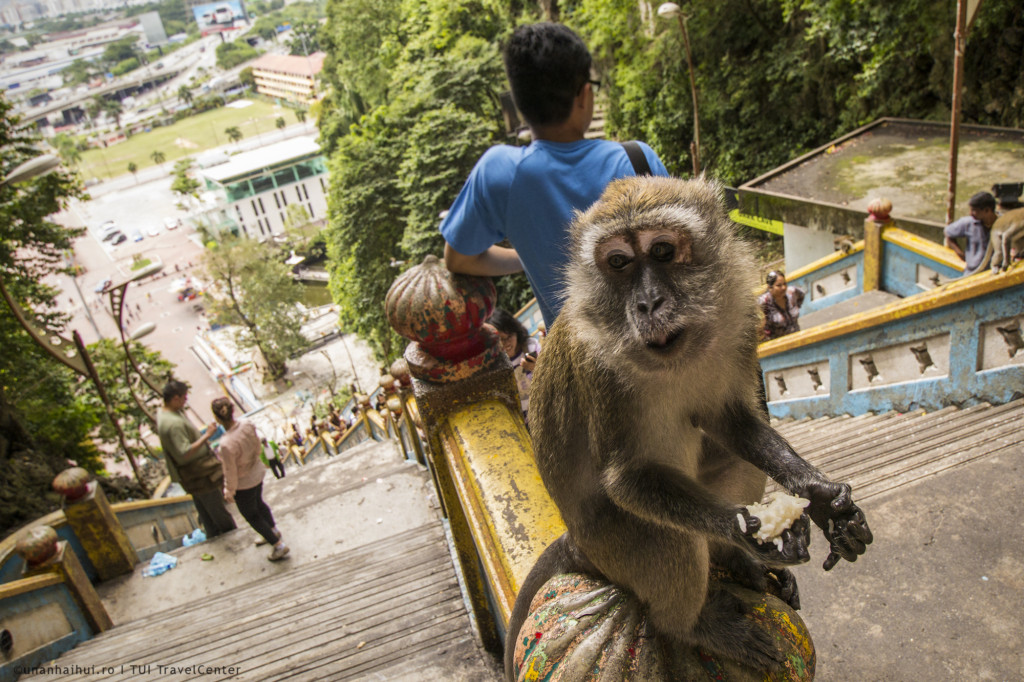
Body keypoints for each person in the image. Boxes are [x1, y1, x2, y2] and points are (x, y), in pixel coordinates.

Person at [440, 23, 670, 329]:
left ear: (520, 104)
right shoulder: (637, 159)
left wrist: (529, 257)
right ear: (584, 95)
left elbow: (459, 260)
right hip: (662, 346)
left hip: (580, 367)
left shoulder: (500, 173)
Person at [211, 398, 290, 561]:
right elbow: (256, 446)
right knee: (259, 504)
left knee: (252, 515)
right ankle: (272, 530)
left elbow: (230, 471)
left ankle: (278, 545)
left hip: (243, 483)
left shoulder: (225, 444)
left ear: (217, 418)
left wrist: (229, 491)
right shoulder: (247, 423)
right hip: (257, 472)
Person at [157, 381, 236, 538]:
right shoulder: (172, 424)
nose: (185, 401)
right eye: (184, 398)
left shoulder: (167, 413)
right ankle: (234, 537)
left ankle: (214, 536)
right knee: (217, 510)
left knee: (206, 513)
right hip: (199, 473)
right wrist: (207, 434)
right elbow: (184, 452)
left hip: (194, 475)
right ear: (175, 398)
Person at [490, 308, 541, 420]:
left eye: (509, 337)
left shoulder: (531, 347)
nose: (506, 343)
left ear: (516, 331)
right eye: (501, 340)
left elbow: (552, 376)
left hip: (543, 410)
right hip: (521, 421)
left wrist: (537, 368)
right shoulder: (493, 366)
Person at [945, 191, 998, 277]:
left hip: (993, 273)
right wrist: (960, 253)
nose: (970, 213)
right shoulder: (968, 223)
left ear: (987, 210)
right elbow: (948, 233)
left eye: (974, 210)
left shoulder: (1003, 224)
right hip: (972, 273)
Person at [758, 271, 806, 341]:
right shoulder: (764, 302)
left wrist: (797, 306)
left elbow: (802, 295)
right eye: (779, 285)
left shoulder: (792, 293)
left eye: (784, 284)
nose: (783, 287)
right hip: (777, 344)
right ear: (770, 288)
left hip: (797, 338)